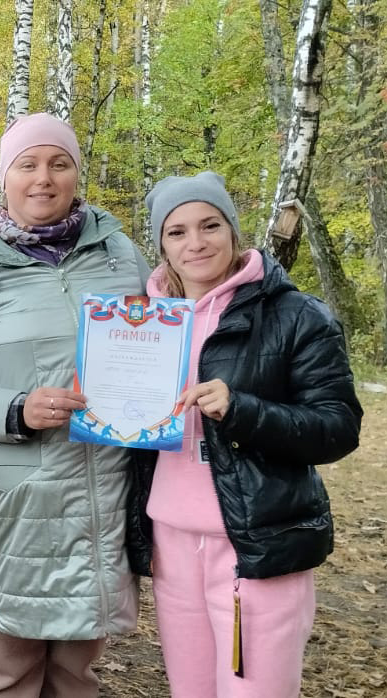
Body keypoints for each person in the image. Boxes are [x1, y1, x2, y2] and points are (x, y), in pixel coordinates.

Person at [0, 112, 149, 697]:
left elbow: (162, 350)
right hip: (13, 503)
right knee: (8, 676)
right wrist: (16, 409)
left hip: (100, 494)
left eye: (59, 163)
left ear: (76, 173)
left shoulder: (121, 256)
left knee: (77, 676)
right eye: (28, 165)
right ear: (5, 178)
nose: (43, 178)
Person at [127, 172, 361, 697]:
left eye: (210, 225)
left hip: (257, 544)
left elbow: (338, 427)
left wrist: (242, 410)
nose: (195, 243)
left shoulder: (296, 314)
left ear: (234, 230)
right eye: (177, 232)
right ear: (161, 245)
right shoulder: (143, 322)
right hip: (171, 541)